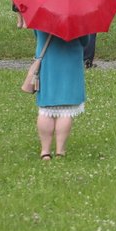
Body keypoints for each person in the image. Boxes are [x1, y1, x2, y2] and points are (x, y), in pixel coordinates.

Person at [33, 30, 89, 159]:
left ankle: (45, 152)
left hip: (47, 61)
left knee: (45, 108)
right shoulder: (77, 15)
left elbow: (37, 34)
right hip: (70, 62)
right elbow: (85, 41)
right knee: (66, 110)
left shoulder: (41, 13)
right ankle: (60, 151)